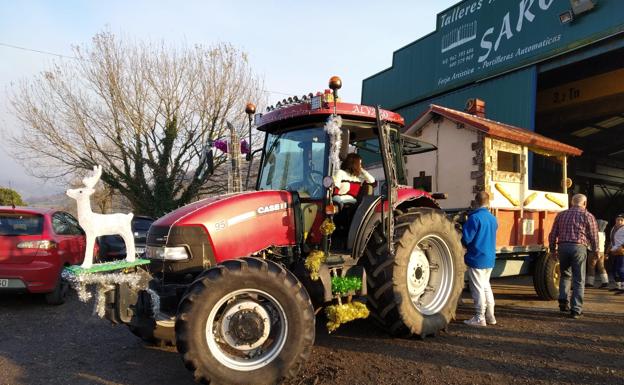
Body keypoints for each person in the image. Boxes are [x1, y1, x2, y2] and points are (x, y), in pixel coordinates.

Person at [548, 193, 599, 319]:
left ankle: (563, 303)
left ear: (572, 202)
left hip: (563, 247)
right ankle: (576, 309)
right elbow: (594, 235)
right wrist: (596, 251)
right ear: (585, 203)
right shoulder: (588, 215)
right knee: (579, 279)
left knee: (565, 275)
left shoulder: (561, 215)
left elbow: (553, 233)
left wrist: (552, 249)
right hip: (578, 248)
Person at [462, 191, 498, 327]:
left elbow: (466, 238)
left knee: (477, 289)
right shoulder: (493, 218)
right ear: (487, 202)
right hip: (489, 258)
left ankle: (479, 317)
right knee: (486, 287)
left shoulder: (474, 218)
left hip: (476, 257)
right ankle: (491, 316)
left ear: (476, 202)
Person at [586, 219, 609, 289]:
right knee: (601, 267)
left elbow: (590, 243)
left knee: (591, 266)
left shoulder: (595, 234)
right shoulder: (603, 234)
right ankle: (605, 281)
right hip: (602, 251)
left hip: (594, 251)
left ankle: (590, 282)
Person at [609, 213, 624, 293]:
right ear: (615, 221)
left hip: (621, 252)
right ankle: (618, 286)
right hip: (614, 251)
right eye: (618, 220)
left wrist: (621, 247)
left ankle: (623, 287)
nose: (620, 221)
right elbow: (612, 241)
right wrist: (608, 251)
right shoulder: (613, 229)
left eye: (622, 220)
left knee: (621, 269)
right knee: (614, 270)